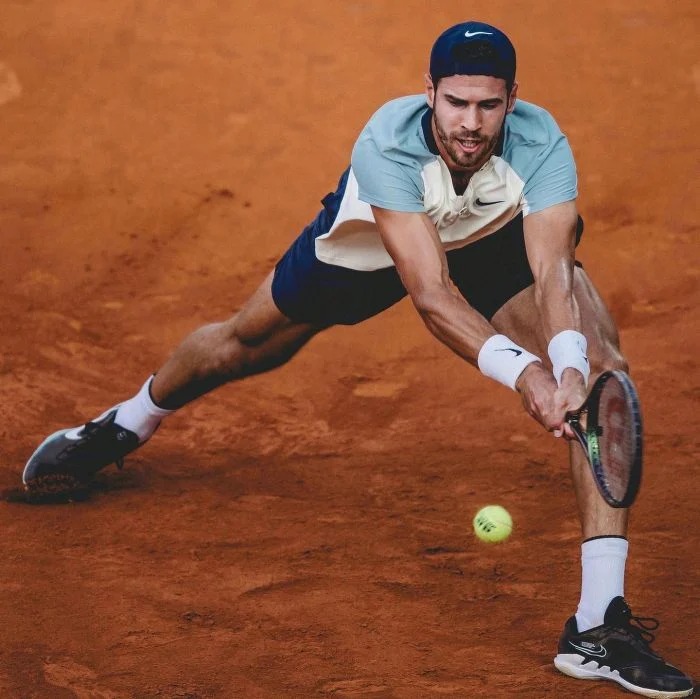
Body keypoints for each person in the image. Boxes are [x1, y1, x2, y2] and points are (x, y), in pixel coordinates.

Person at [22, 21, 693, 697]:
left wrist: (569, 367)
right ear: (429, 92)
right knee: (244, 342)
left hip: (491, 239)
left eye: (488, 105)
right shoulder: (388, 145)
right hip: (379, 239)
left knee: (603, 365)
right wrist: (527, 374)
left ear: (511, 99)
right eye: (456, 102)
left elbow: (552, 275)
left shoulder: (542, 142)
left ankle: (596, 624)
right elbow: (430, 295)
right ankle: (129, 419)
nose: (471, 121)